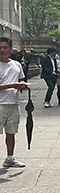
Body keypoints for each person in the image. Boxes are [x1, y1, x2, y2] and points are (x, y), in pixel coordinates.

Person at [0, 38, 28, 168]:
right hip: (0, 104)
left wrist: (22, 85)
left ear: (10, 49)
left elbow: (21, 79)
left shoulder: (17, 65)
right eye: (0, 48)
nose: (2, 50)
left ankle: (10, 158)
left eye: (5, 47)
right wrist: (12, 85)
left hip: (13, 103)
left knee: (11, 132)